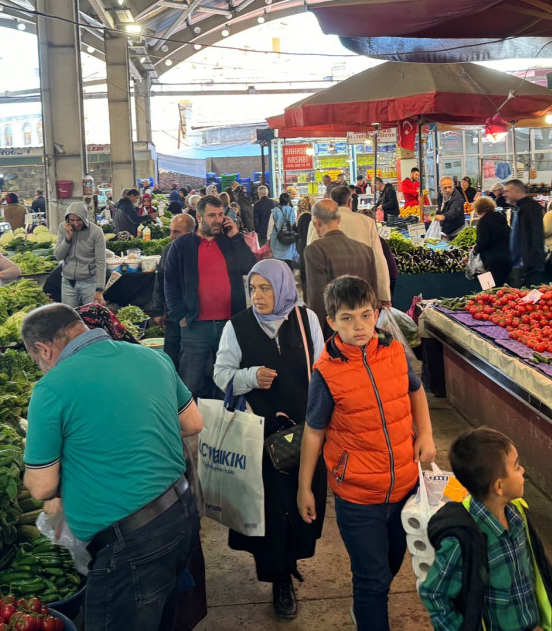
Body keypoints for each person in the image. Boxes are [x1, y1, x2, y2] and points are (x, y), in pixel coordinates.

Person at [21, 304, 204, 631]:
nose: (41, 368)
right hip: (182, 514)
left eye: (37, 362)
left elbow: (41, 487)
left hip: (132, 545)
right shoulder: (150, 357)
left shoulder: (52, 388)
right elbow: (192, 422)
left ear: (43, 349)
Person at [298, 275, 435, 630]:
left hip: (405, 486)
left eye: (364, 315)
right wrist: (305, 487)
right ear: (331, 322)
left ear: (376, 313)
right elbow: (314, 432)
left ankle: (366, 608)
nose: (358, 326)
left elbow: (416, 391)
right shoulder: (325, 374)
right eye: (347, 318)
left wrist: (426, 436)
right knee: (372, 579)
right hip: (358, 496)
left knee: (389, 566)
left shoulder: (392, 350)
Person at [212, 260, 327, 619]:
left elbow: (323, 370)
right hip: (259, 438)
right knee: (271, 511)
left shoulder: (307, 321)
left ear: (284, 288)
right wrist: (249, 377)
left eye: (266, 288)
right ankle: (280, 579)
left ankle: (291, 562)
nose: (258, 296)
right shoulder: (237, 326)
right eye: (253, 289)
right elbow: (220, 374)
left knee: (303, 501)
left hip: (305, 434)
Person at [420, 428, 552, 631]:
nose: (522, 471)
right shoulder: (463, 540)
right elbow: (434, 593)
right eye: (517, 467)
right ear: (499, 487)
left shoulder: (518, 516)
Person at [161, 195, 257, 399]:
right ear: (199, 216)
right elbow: (169, 284)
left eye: (221, 214)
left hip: (230, 324)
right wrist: (181, 316)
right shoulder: (182, 246)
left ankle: (226, 424)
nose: (218, 220)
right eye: (212, 215)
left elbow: (250, 266)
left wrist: (237, 237)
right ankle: (190, 426)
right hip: (195, 325)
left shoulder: (230, 242)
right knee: (190, 382)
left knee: (229, 379)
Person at [306, 186, 392, 306]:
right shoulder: (367, 222)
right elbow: (378, 259)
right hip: (361, 288)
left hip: (329, 290)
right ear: (350, 201)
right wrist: (384, 294)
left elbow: (310, 261)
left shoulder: (317, 222)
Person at [303, 200, 379, 329]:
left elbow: (316, 297)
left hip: (336, 328)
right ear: (338, 219)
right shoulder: (365, 249)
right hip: (363, 327)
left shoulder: (315, 249)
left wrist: (317, 332)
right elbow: (373, 292)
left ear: (316, 222)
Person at [54, 201, 108, 307]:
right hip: (68, 282)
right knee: (70, 318)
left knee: (92, 317)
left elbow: (101, 262)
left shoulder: (96, 232)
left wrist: (100, 289)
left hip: (89, 282)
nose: (76, 223)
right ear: (67, 219)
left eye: (79, 220)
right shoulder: (62, 228)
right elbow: (58, 256)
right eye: (72, 220)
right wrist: (68, 238)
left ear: (85, 218)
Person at [148, 214, 197, 332]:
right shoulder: (168, 249)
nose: (171, 236)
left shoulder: (200, 250)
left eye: (176, 232)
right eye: (171, 231)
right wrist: (158, 311)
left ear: (191, 232)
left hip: (194, 316)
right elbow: (160, 281)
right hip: (172, 315)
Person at [503, 180, 546, 287]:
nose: (505, 194)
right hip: (521, 264)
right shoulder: (520, 208)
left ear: (517, 192)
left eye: (507, 191)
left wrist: (530, 263)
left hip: (528, 266)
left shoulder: (530, 208)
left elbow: (536, 235)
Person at [472, 197, 512, 288]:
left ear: (479, 210)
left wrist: (474, 250)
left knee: (490, 290)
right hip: (507, 259)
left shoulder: (484, 221)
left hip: (492, 262)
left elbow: (483, 242)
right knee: (504, 289)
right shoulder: (500, 218)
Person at [267, 192, 299, 264]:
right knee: (289, 261)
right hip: (289, 238)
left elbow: (270, 226)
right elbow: (294, 224)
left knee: (278, 261)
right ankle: (289, 274)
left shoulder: (275, 211)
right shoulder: (292, 210)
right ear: (288, 201)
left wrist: (268, 238)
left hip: (277, 239)